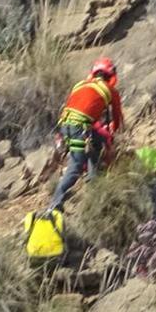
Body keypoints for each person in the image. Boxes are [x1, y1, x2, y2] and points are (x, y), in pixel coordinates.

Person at [48, 57, 124, 211]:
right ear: (111, 75)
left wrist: (104, 138)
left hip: (66, 125)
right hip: (79, 128)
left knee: (98, 141)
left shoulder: (80, 85)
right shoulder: (111, 91)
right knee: (75, 166)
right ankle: (55, 204)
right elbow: (118, 119)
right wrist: (112, 136)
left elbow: (77, 107)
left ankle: (93, 182)